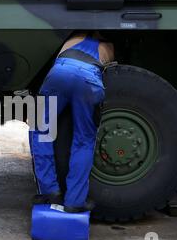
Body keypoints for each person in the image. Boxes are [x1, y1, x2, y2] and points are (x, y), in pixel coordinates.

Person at [30, 32, 115, 213]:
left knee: (40, 129)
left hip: (60, 73)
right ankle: (75, 202)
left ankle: (49, 191)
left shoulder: (72, 38)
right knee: (83, 140)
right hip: (88, 79)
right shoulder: (108, 46)